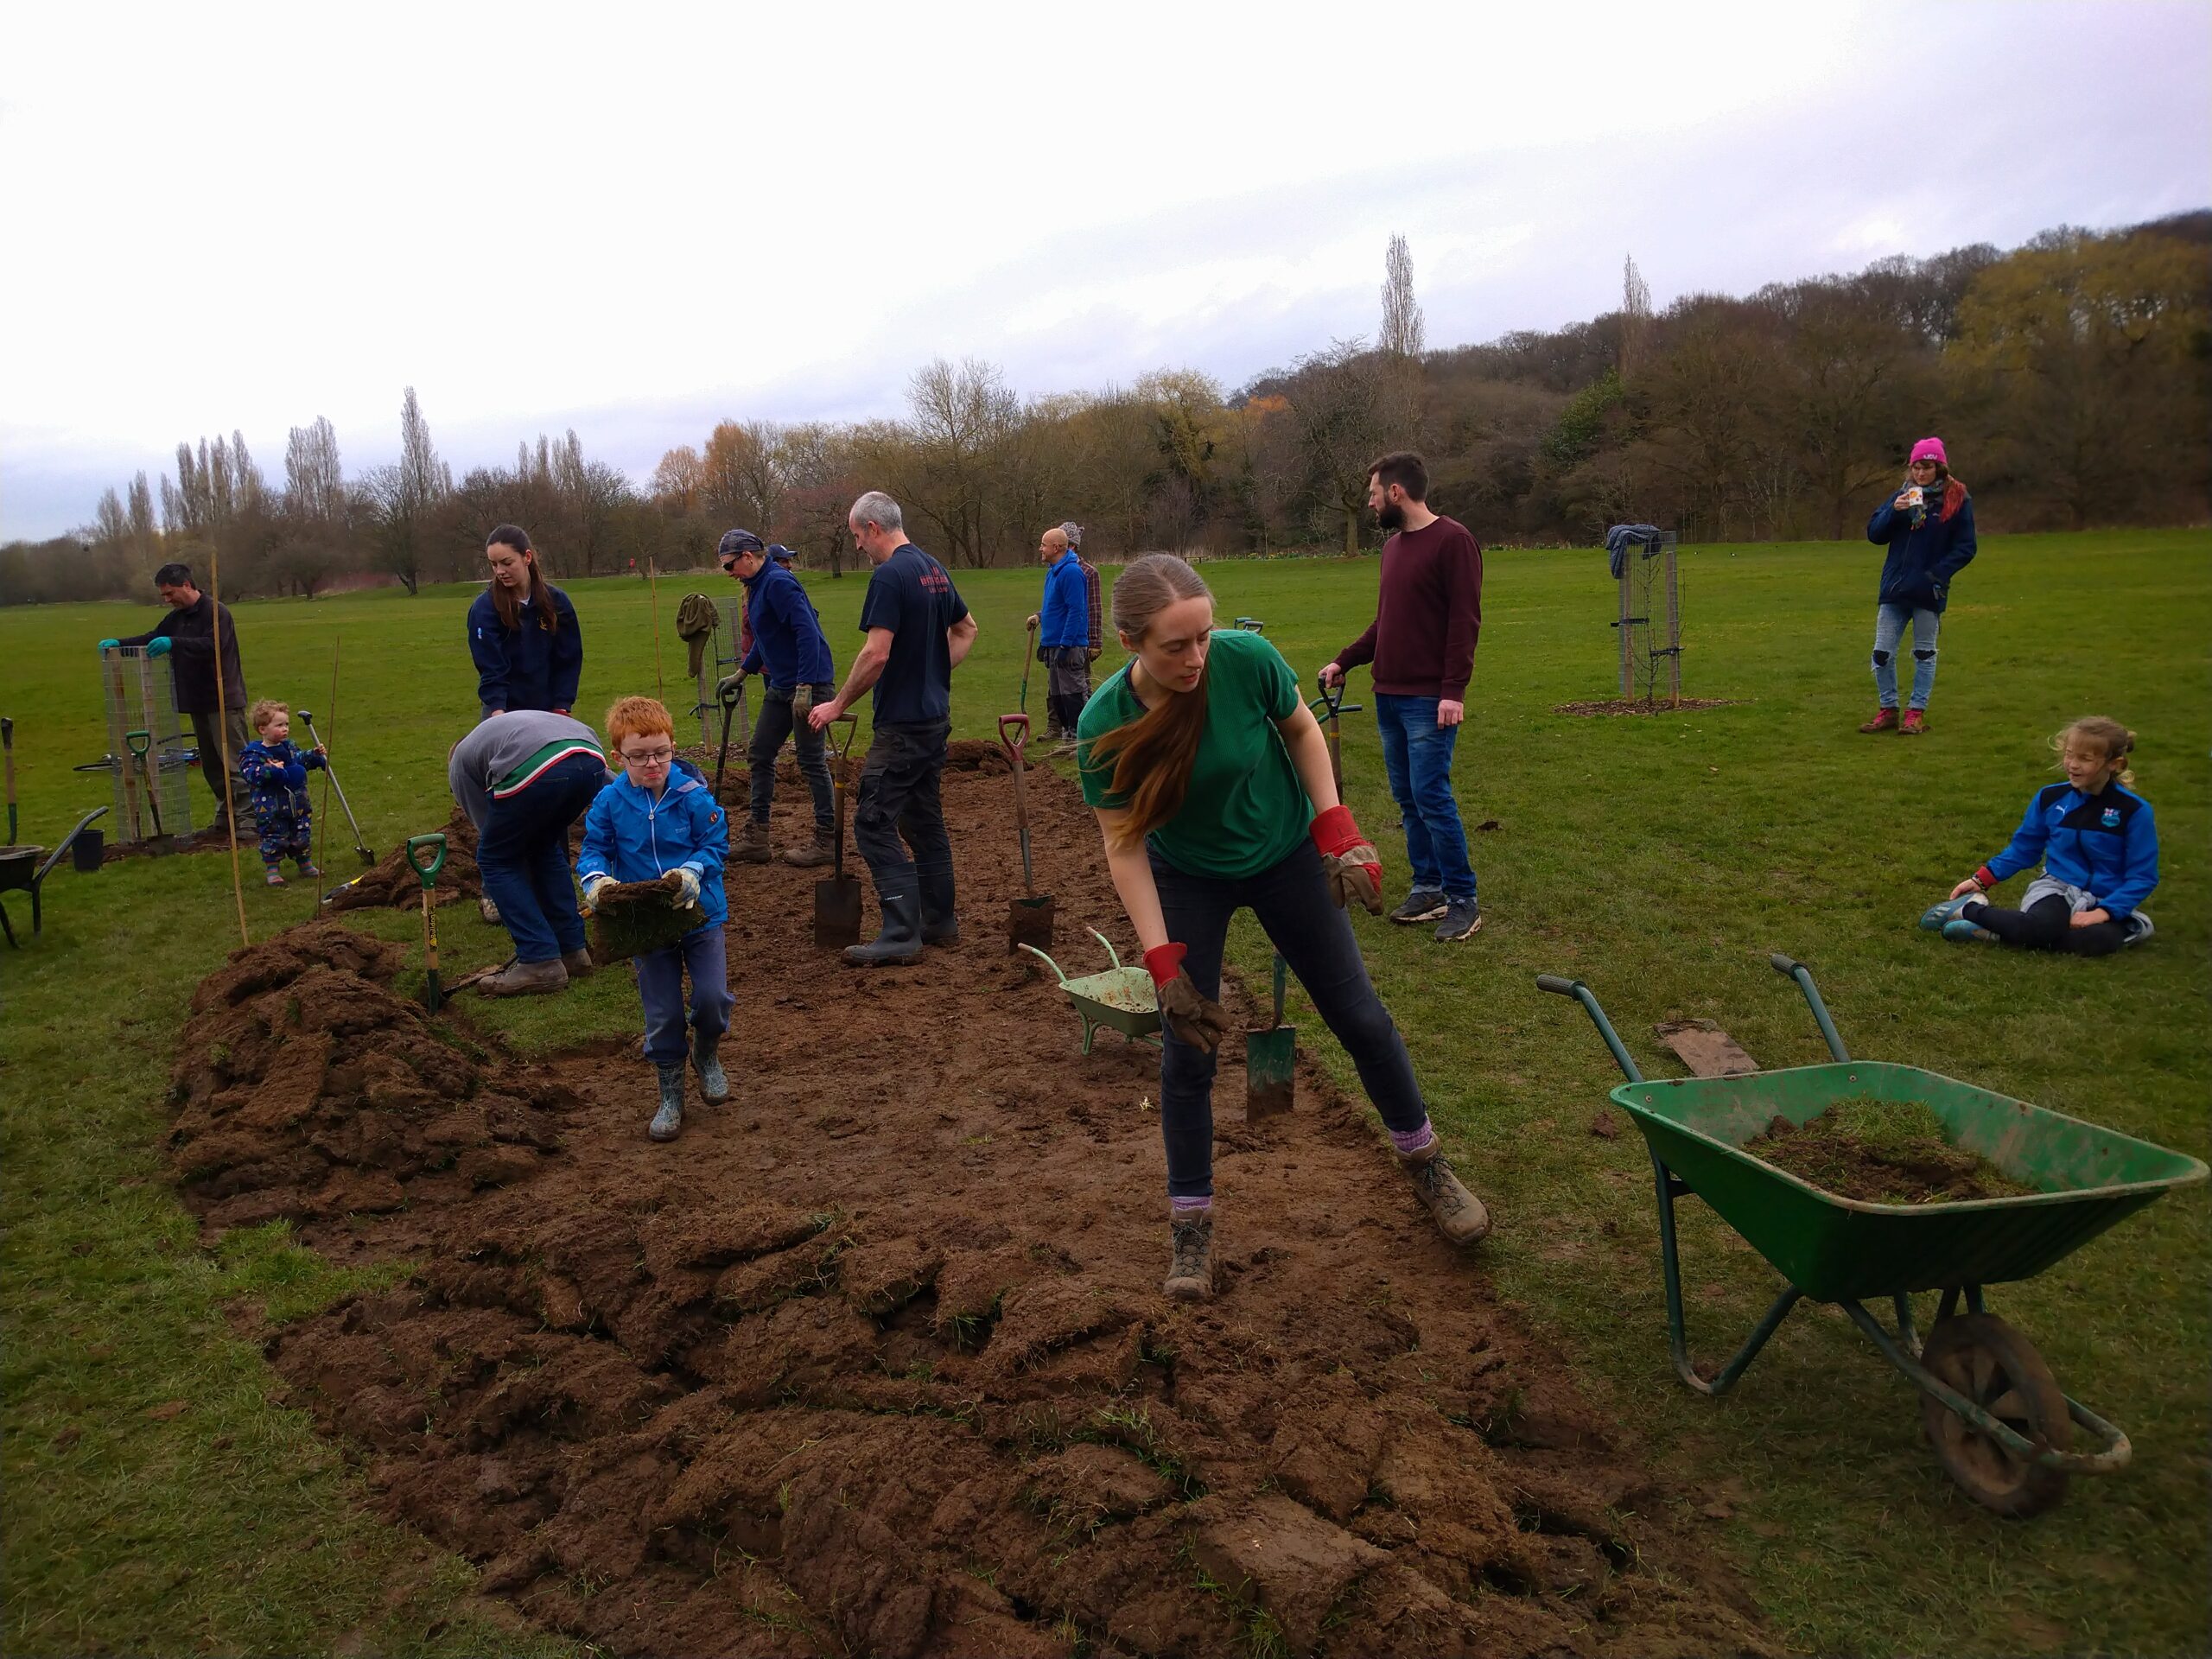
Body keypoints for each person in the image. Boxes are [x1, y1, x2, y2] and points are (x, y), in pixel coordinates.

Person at [1077, 554, 1491, 1302]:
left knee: (1359, 1017)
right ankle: (1191, 1226)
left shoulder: (1248, 660)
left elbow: (1302, 730)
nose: (1197, 657)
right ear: (1131, 642)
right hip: (1186, 875)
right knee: (1189, 1052)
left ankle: (1426, 1162)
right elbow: (1123, 845)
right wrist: (1163, 964)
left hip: (1284, 855)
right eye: (1175, 645)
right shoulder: (1105, 720)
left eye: (1203, 635)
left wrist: (1336, 829)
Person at [1319, 451, 1485, 943]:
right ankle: (1428, 886)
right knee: (1409, 799)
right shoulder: (1393, 549)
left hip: (1428, 699)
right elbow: (1386, 622)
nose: (1369, 503)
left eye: (1373, 493)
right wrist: (1344, 660)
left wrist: (1453, 690)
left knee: (1432, 796)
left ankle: (1463, 899)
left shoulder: (1454, 541)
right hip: (1389, 696)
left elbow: (1464, 622)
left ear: (1396, 492)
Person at [807, 490, 977, 964]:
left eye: (857, 535)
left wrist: (838, 703)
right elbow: (968, 630)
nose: (857, 546)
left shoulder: (889, 577)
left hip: (902, 727)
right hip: (934, 721)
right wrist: (933, 674)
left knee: (873, 821)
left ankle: (902, 932)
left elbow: (876, 653)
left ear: (873, 529)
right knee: (923, 819)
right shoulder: (934, 570)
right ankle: (940, 920)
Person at [579, 696, 734, 1142]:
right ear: (618, 757)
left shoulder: (692, 795)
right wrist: (596, 880)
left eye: (661, 753)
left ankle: (706, 1053)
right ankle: (670, 1095)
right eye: (640, 756)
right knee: (663, 1013)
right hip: (644, 923)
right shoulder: (608, 802)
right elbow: (595, 849)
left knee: (712, 998)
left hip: (698, 914)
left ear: (672, 747)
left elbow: (715, 842)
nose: (653, 764)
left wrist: (693, 870)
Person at [1920, 717, 2157, 955]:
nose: (2072, 765)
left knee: (2097, 941)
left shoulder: (2134, 811)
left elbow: (2142, 877)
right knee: (2043, 926)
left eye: (2084, 759)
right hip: (2058, 888)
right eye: (2069, 754)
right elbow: (2024, 849)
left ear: (2115, 764)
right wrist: (1981, 880)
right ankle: (1970, 909)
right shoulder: (2050, 799)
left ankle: (1998, 933)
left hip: (2108, 896)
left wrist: (2104, 912)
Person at [445, 708, 607, 995]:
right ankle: (573, 951)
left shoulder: (459, 764)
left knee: (495, 859)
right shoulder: (499, 735)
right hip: (590, 756)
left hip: (536, 766)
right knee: (544, 847)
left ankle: (539, 959)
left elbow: (494, 839)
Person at [99, 562, 249, 835]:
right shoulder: (177, 618)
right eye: (163, 596)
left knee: (235, 763)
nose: (167, 600)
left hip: (223, 699)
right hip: (196, 700)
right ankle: (226, 819)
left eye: (170, 594)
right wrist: (120, 646)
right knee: (212, 766)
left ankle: (250, 820)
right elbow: (154, 637)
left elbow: (212, 646)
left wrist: (174, 643)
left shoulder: (216, 612)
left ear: (187, 585)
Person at [717, 528, 837, 867]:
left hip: (807, 684)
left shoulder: (779, 583)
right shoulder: (756, 587)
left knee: (811, 760)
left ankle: (827, 839)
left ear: (748, 557)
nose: (729, 573)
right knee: (760, 752)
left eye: (730, 566)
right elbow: (766, 637)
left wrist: (806, 686)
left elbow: (807, 633)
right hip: (782, 684)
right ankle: (758, 837)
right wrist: (743, 672)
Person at [1860, 437, 1976, 735]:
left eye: (1926, 467)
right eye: (1916, 467)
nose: (1921, 473)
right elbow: (1875, 534)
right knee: (1881, 653)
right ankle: (1888, 709)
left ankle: (1915, 713)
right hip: (1895, 589)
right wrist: (1893, 512)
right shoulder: (1902, 495)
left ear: (1939, 467)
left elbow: (1966, 547)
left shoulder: (1956, 499)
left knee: (1924, 653)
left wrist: (1937, 575)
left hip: (1928, 590)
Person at [468, 524, 583, 722]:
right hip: (503, 712)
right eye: (494, 564)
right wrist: (498, 716)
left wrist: (562, 706)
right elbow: (491, 668)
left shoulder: (557, 603)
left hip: (548, 710)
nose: (500, 571)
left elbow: (568, 659)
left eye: (506, 563)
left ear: (527, 557)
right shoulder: (484, 609)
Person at [238, 700, 327, 886]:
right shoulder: (255, 754)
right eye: (279, 725)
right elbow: (251, 774)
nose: (285, 729)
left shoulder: (289, 747)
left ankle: (305, 864)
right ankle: (273, 870)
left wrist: (314, 755)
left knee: (301, 832)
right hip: (271, 807)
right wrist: (271, 771)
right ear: (263, 729)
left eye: (286, 724)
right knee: (274, 836)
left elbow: (299, 760)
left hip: (298, 803)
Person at [1026, 524, 1090, 742]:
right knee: (1058, 697)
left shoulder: (1071, 573)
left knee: (1073, 696)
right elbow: (1055, 608)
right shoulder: (1052, 573)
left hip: (1070, 646)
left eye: (1043, 545)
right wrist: (1042, 624)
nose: (1040, 549)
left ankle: (1080, 739)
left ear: (1056, 547)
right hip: (1054, 644)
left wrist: (1065, 644)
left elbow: (1076, 610)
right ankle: (1067, 736)